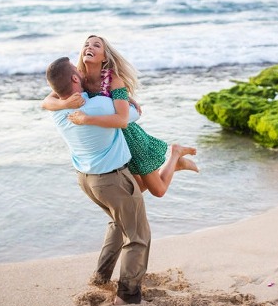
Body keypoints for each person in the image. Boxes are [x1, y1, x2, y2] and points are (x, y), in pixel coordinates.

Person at [46, 56, 148, 305]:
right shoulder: (100, 105)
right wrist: (121, 92)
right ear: (73, 78)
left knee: (117, 223)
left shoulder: (58, 111)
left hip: (86, 180)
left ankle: (101, 277)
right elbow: (133, 114)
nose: (80, 69)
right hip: (112, 180)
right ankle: (127, 295)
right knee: (137, 236)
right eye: (75, 69)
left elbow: (49, 99)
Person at [43, 35, 198, 198]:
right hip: (111, 145)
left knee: (157, 190)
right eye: (86, 45)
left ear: (104, 57)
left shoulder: (112, 80)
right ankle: (174, 164)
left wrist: (86, 119)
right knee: (133, 190)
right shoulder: (78, 77)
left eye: (96, 45)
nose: (89, 47)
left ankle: (175, 155)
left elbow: (123, 120)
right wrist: (65, 104)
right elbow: (46, 102)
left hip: (130, 139)